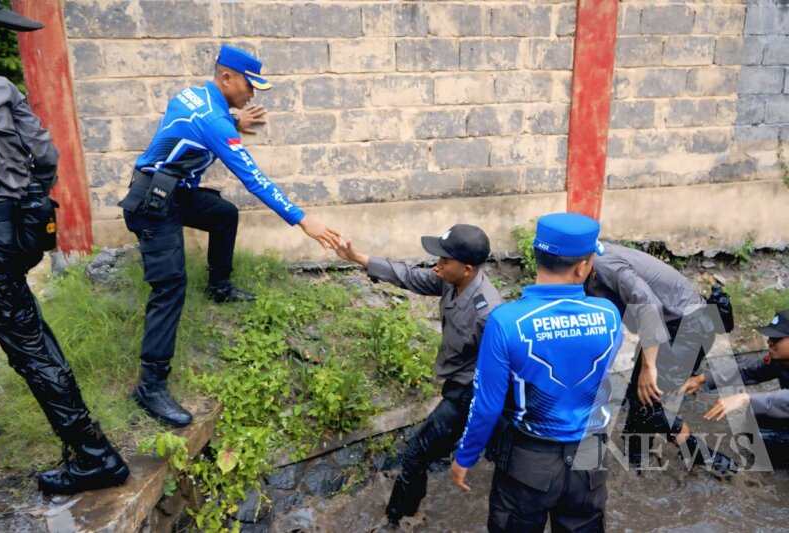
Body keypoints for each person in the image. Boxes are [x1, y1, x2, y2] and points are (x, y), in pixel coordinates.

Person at [119, 44, 341, 428]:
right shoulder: (214, 121)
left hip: (174, 190)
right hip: (152, 203)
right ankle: (150, 385)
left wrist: (235, 124)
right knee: (170, 286)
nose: (252, 94)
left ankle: (219, 287)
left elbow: (193, 124)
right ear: (226, 78)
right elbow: (253, 178)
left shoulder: (199, 98)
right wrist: (303, 220)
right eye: (249, 86)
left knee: (224, 215)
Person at [0, 0, 128, 494]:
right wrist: (29, 194)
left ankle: (95, 456)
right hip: (10, 229)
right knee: (24, 334)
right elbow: (45, 153)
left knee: (30, 346)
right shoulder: (2, 89)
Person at [452, 212, 622, 532]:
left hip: (528, 463)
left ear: (536, 256)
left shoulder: (507, 321)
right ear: (583, 266)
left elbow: (486, 405)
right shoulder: (609, 315)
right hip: (590, 459)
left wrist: (466, 457)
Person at [334, 224, 502, 529]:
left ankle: (400, 516)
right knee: (433, 449)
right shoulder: (452, 281)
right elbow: (410, 276)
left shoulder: (487, 314)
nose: (436, 265)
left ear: (466, 268)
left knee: (415, 453)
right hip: (456, 381)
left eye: (443, 260)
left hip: (468, 392)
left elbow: (496, 374)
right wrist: (358, 257)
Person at [584, 242, 733, 472]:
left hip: (687, 329)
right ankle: (636, 463)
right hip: (669, 326)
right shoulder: (588, 261)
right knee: (638, 399)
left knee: (648, 405)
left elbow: (649, 305)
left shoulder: (604, 265)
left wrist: (649, 366)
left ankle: (701, 454)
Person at [682, 309, 789, 467]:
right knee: (752, 423)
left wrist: (746, 398)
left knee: (768, 443)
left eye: (777, 338)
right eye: (770, 336)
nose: (770, 342)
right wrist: (703, 379)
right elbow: (750, 370)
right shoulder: (782, 360)